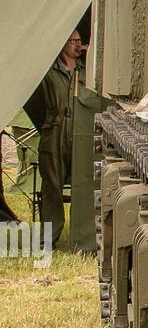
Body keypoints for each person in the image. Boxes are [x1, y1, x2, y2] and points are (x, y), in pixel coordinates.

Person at [25, 29, 86, 246]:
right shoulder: (49, 71)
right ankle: (49, 238)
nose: (77, 45)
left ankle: (83, 237)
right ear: (62, 44)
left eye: (80, 41)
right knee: (52, 185)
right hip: (55, 130)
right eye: (73, 42)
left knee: (84, 184)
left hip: (80, 130)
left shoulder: (86, 70)